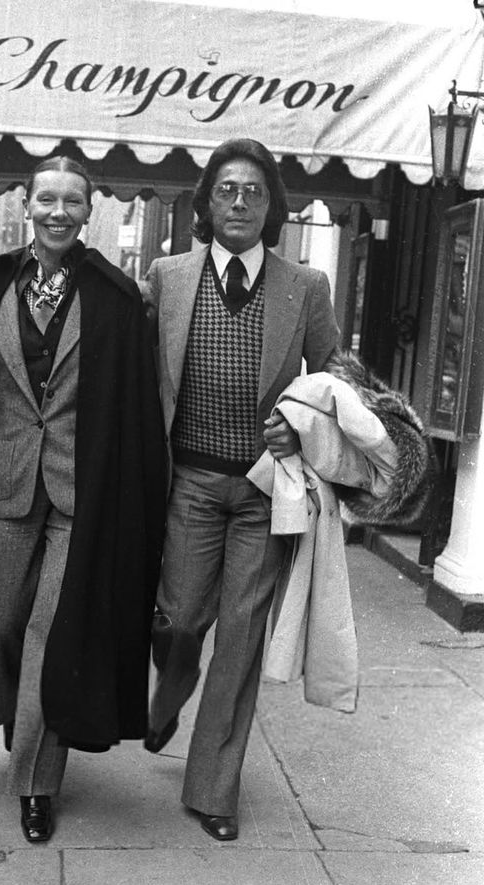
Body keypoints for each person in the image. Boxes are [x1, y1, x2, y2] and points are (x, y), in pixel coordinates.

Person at [0, 155, 167, 843]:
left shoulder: (116, 296)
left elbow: (131, 401)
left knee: (51, 632)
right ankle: (25, 717)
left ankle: (36, 784)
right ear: (26, 206)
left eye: (73, 202)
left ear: (89, 212)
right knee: (2, 624)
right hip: (3, 482)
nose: (59, 213)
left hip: (80, 490)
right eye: (47, 200)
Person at [143, 137, 340, 842]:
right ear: (205, 202)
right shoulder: (168, 276)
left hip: (264, 489)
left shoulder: (305, 286)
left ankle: (212, 789)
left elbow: (334, 378)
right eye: (226, 189)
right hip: (189, 485)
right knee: (178, 621)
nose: (239, 202)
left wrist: (301, 425)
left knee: (241, 637)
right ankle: (171, 688)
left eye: (254, 192)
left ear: (271, 207)